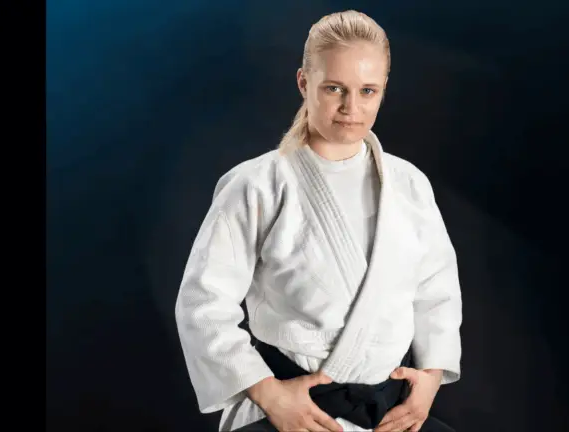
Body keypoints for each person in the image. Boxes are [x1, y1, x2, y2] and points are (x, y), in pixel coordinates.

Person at [175, 10, 462, 432]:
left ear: (383, 89)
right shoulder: (257, 185)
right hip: (293, 412)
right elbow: (203, 303)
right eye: (334, 88)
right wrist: (269, 394)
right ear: (303, 83)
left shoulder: (410, 185)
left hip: (389, 414)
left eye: (367, 91)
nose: (351, 107)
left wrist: (430, 378)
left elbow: (437, 291)